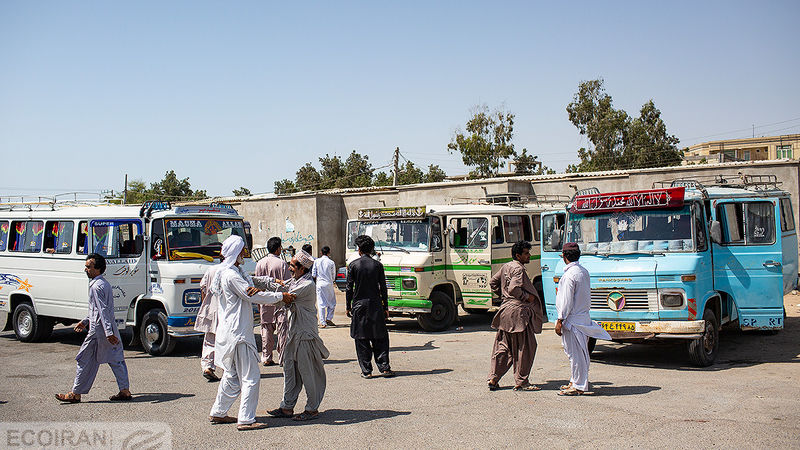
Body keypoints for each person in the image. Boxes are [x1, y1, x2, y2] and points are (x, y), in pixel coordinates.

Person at [209, 235, 296, 431]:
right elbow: (252, 293)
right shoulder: (231, 275)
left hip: (231, 332)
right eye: (242, 251)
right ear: (235, 253)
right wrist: (280, 297)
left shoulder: (230, 271)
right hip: (238, 333)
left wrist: (274, 282)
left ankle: (218, 412)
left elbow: (254, 280)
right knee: (251, 377)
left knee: (232, 376)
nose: (245, 254)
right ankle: (246, 419)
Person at [56, 253, 132, 403]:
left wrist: (108, 332)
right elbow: (98, 310)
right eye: (86, 266)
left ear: (98, 269)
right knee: (116, 359)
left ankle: (75, 393)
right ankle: (125, 390)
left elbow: (102, 310)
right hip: (105, 328)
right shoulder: (104, 284)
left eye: (88, 267)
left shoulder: (96, 287)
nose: (86, 269)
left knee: (84, 360)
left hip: (98, 331)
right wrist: (85, 321)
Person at [266, 250, 329, 421]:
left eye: (292, 266)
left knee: (308, 372)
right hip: (293, 333)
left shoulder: (306, 285)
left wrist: (253, 296)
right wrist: (259, 283)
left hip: (304, 335)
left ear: (302, 269)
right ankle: (287, 407)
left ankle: (312, 409)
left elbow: (281, 297)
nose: (289, 268)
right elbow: (280, 286)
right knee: (290, 370)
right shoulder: (296, 281)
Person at [555, 242, 611, 396]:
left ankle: (578, 385)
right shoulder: (583, 271)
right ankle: (575, 381)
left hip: (573, 320)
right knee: (578, 353)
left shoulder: (570, 275)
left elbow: (566, 300)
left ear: (565, 256)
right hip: (581, 318)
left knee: (576, 354)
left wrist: (560, 320)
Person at [487, 241, 544, 392]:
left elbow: (493, 282)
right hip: (518, 314)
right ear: (518, 255)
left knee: (503, 347)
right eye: (526, 253)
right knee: (526, 347)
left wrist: (503, 297)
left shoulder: (507, 266)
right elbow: (513, 288)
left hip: (505, 312)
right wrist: (526, 297)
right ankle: (522, 381)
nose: (529, 255)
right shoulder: (518, 269)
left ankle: (494, 378)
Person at [346, 235, 394, 378]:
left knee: (361, 338)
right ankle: (384, 367)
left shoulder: (353, 265)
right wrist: (385, 306)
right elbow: (383, 287)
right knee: (380, 337)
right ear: (371, 249)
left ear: (359, 249)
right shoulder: (378, 265)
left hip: (359, 305)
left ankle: (367, 371)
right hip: (376, 305)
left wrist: (348, 306)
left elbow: (349, 288)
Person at [256, 237, 290, 366]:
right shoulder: (281, 263)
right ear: (278, 248)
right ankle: (283, 357)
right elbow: (287, 284)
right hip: (279, 300)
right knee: (282, 330)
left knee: (266, 329)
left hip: (264, 300)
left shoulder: (259, 263)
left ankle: (266, 356)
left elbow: (257, 283)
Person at [196, 255, 225, 381]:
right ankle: (227, 368)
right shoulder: (231, 271)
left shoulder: (211, 270)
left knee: (209, 340)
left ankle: (208, 366)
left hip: (211, 309)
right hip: (225, 311)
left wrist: (205, 305)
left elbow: (203, 288)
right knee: (225, 341)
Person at [312, 246, 337, 328]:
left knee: (321, 302)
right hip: (328, 283)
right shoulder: (331, 262)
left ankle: (322, 322)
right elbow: (333, 275)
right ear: (329, 252)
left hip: (319, 284)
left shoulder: (316, 261)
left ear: (321, 252)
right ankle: (329, 318)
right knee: (332, 302)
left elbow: (313, 274)